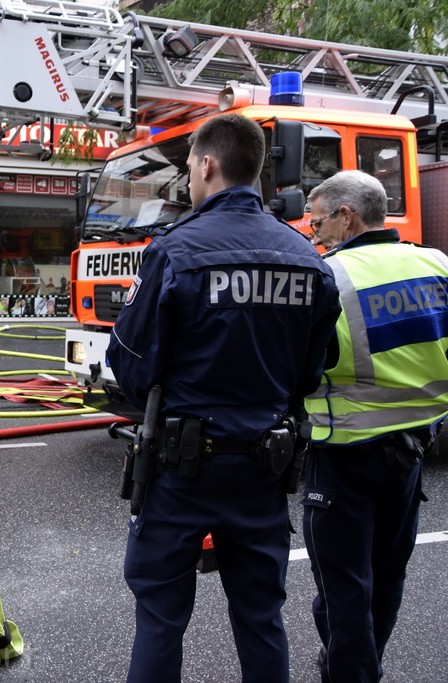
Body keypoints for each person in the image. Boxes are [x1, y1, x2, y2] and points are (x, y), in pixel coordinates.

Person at [105, 113, 342, 683]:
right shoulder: (308, 258)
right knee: (261, 616)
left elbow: (129, 366)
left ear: (207, 164)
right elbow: (315, 369)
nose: (189, 175)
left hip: (181, 470)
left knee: (161, 618)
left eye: (188, 164)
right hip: (265, 466)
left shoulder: (174, 251)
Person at [301, 170, 448, 682]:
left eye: (318, 220)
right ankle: (367, 666)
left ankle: (352, 674)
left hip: (344, 454)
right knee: (387, 577)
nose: (313, 231)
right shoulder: (436, 263)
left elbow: (304, 368)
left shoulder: (331, 278)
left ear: (347, 216)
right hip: (412, 453)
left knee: (343, 592)